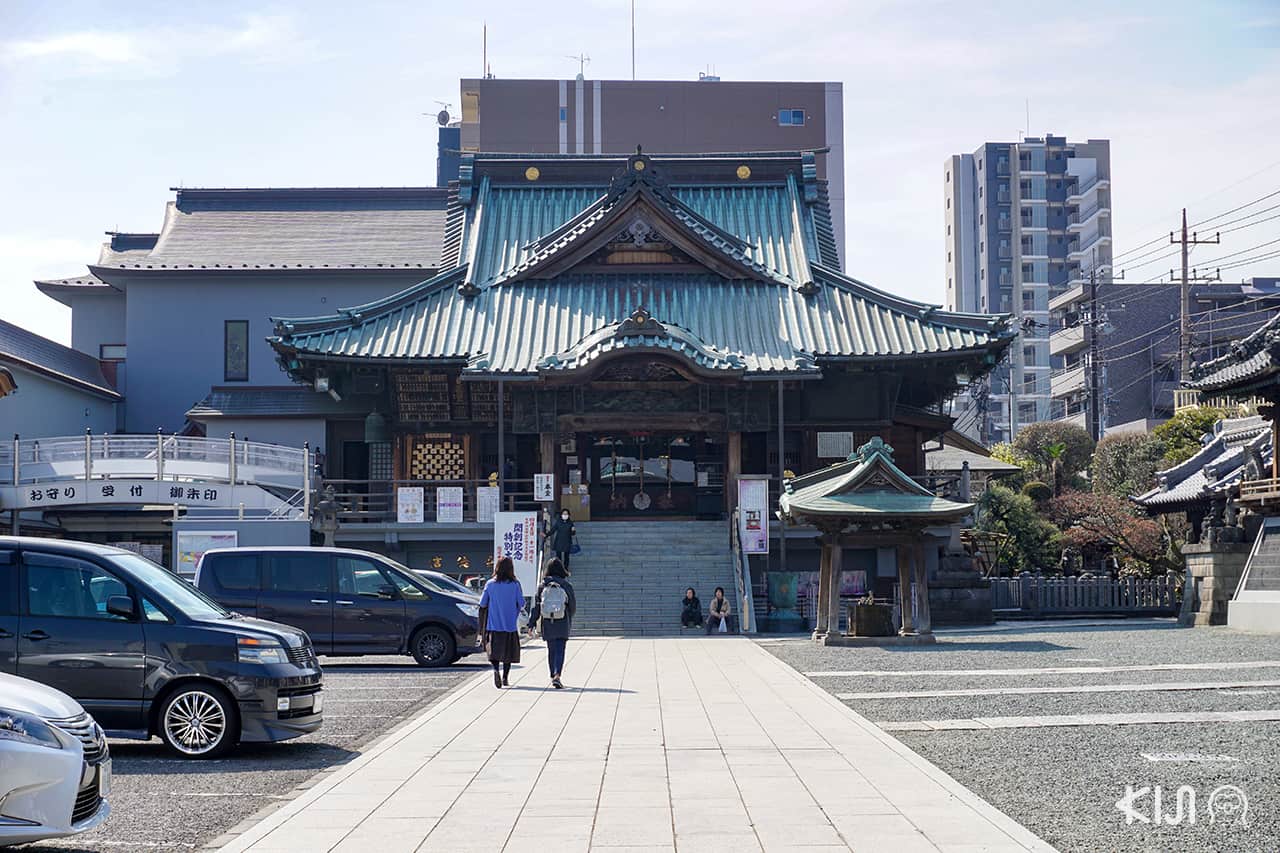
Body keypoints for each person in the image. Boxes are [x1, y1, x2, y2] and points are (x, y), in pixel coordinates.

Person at [527, 557, 576, 688]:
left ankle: (552, 674)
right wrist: (568, 616)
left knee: (551, 649)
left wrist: (531, 623)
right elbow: (572, 606)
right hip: (562, 620)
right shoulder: (566, 585)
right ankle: (557, 675)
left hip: (548, 622)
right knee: (560, 649)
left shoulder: (542, 585)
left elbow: (536, 607)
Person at [479, 556, 524, 688]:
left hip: (494, 625)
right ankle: (505, 678)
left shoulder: (490, 584)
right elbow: (521, 603)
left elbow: (482, 603)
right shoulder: (515, 585)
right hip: (510, 625)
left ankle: (495, 670)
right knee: (508, 654)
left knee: (493, 652)